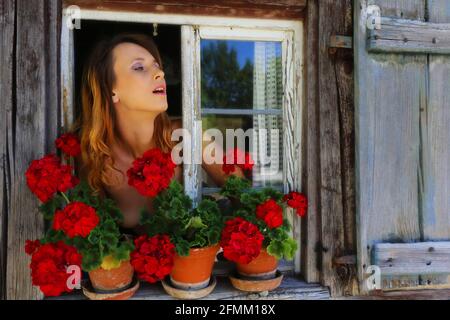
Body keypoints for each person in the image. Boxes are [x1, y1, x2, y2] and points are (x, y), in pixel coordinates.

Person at [72, 33, 244, 233]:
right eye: (139, 67)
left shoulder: (185, 135)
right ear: (111, 90)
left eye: (156, 65)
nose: (159, 73)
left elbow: (244, 197)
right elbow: (94, 236)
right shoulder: (93, 153)